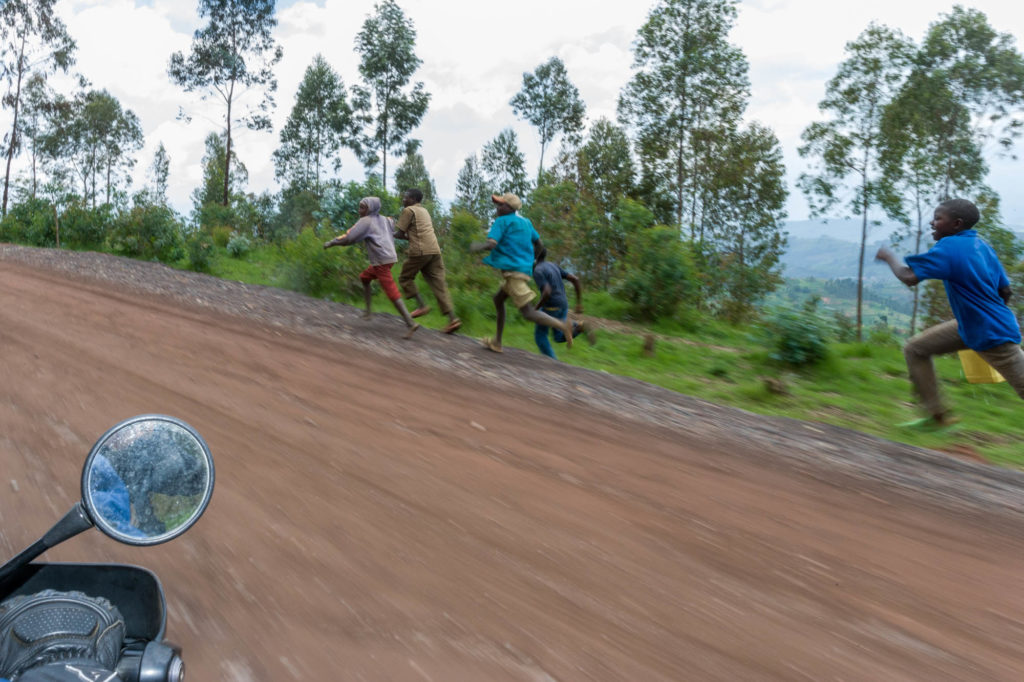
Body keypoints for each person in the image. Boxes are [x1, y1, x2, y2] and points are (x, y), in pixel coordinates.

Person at [875, 198, 1024, 427]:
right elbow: (1005, 290)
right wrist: (984, 316)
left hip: (992, 333)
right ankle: (938, 417)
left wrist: (889, 258)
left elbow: (909, 277)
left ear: (956, 224)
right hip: (974, 325)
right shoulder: (980, 244)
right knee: (916, 349)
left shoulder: (949, 247)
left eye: (938, 218)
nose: (932, 223)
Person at [470, 192, 574, 353]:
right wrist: (533, 262)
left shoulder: (501, 221)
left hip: (513, 274)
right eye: (497, 204)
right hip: (520, 271)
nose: (497, 207)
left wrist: (476, 247)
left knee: (528, 313)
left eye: (501, 204)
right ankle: (497, 341)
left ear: (509, 208)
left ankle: (562, 325)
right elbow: (540, 244)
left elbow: (491, 244)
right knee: (498, 299)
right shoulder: (526, 222)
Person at [324, 196, 419, 339]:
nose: (359, 210)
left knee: (391, 290)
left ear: (370, 208)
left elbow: (349, 237)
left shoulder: (366, 221)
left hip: (381, 260)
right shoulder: (386, 219)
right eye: (360, 207)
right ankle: (368, 312)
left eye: (362, 207)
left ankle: (410, 323)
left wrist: (331, 243)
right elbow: (396, 230)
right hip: (390, 258)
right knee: (364, 278)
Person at [394, 188, 461, 334]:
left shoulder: (408, 210)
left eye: (406, 197)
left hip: (420, 250)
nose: (403, 199)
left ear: (413, 199)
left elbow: (399, 233)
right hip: (435, 250)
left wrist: (386, 232)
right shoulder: (424, 211)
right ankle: (453, 319)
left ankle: (421, 306)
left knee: (405, 277)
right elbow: (416, 233)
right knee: (439, 285)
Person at [533, 246, 586, 359]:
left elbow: (547, 292)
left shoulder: (538, 270)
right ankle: (576, 327)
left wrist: (535, 308)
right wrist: (579, 303)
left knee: (540, 335)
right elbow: (575, 279)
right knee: (558, 336)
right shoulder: (552, 265)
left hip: (551, 307)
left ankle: (553, 363)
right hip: (563, 305)